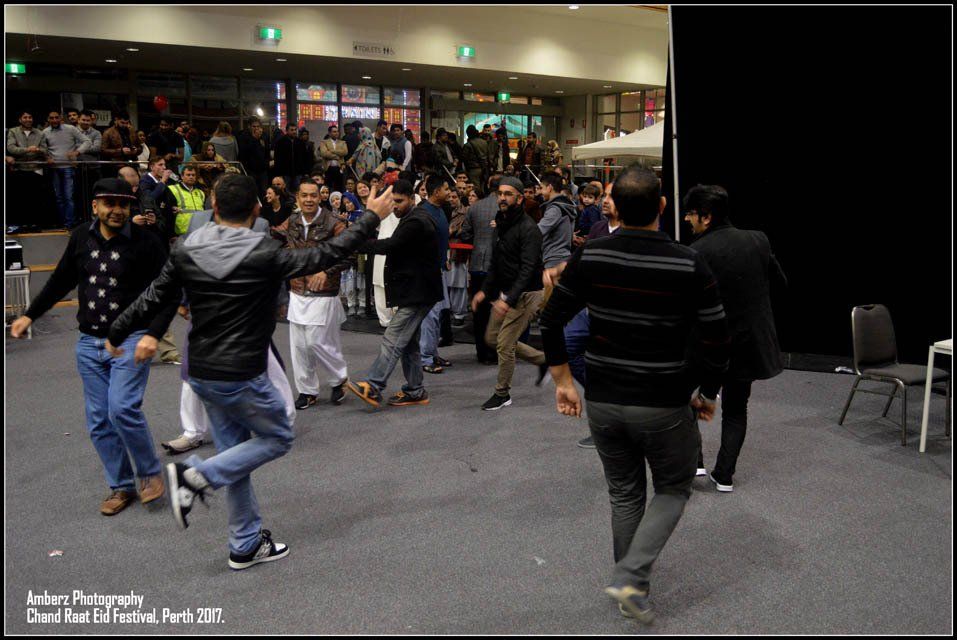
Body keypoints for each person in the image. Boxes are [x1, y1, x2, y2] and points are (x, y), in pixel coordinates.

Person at [106, 173, 394, 570]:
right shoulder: (265, 252)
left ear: (214, 207)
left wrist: (116, 330)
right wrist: (371, 217)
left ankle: (244, 543)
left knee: (235, 456)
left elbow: (154, 295)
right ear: (257, 210)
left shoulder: (186, 247)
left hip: (202, 372)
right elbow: (325, 254)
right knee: (278, 438)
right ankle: (196, 476)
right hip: (241, 374)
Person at [538, 166, 730, 623]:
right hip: (663, 402)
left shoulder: (592, 254)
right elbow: (717, 337)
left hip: (604, 401)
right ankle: (631, 577)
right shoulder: (688, 262)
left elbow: (551, 320)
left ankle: (632, 586)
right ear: (662, 206)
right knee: (674, 488)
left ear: (615, 209)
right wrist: (708, 392)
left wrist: (563, 381)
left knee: (624, 495)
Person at [9, 178, 176, 515]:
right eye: (109, 203)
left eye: (123, 204)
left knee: (122, 408)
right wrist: (29, 315)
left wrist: (153, 334)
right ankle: (121, 486)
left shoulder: (147, 242)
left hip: (130, 338)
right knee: (99, 421)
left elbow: (170, 291)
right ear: (95, 206)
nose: (117, 210)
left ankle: (149, 473)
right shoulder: (80, 238)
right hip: (88, 343)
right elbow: (60, 281)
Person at [683, 184, 787, 492]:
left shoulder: (696, 252)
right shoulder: (758, 239)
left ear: (706, 216)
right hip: (748, 344)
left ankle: (695, 463)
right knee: (736, 409)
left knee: (686, 402)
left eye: (690, 213)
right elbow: (780, 283)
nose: (687, 219)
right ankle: (724, 476)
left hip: (707, 345)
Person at [346, 179, 443, 408]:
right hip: (417, 291)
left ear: (412, 199)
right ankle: (415, 390)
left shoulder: (416, 221)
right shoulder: (414, 217)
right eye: (393, 202)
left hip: (418, 294)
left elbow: (389, 245)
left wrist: (354, 243)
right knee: (408, 343)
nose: (395, 206)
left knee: (393, 337)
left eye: (399, 201)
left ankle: (373, 386)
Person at [272, 179, 354, 409]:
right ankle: (307, 390)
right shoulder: (293, 221)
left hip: (324, 293)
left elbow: (349, 254)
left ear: (320, 197)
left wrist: (326, 272)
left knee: (318, 341)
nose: (309, 199)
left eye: (313, 195)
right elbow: (274, 236)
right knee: (299, 346)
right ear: (298, 198)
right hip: (297, 290)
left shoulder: (334, 222)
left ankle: (339, 379)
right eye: (304, 195)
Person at [470, 176, 547, 410]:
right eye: (500, 193)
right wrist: (484, 291)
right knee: (491, 338)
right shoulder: (501, 222)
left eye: (508, 194)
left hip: (527, 293)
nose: (502, 198)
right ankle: (545, 360)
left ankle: (502, 393)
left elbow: (528, 269)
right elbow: (496, 262)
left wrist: (508, 300)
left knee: (504, 344)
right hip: (507, 292)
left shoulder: (529, 228)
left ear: (520, 198)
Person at [459, 173, 502, 364]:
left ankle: (481, 352)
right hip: (498, 265)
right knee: (497, 310)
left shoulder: (475, 207)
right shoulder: (505, 207)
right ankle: (494, 352)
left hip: (477, 262)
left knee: (479, 312)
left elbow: (465, 234)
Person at [416, 174, 453, 374]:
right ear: (437, 191)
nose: (449, 192)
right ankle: (425, 357)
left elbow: (441, 239)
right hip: (426, 273)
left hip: (438, 270)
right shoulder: (422, 212)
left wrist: (444, 257)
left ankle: (432, 353)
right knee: (429, 316)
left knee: (438, 314)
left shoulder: (440, 210)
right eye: (446, 189)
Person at [43, 109, 91, 228]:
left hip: (69, 167)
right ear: (48, 119)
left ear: (61, 118)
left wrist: (77, 152)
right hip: (54, 168)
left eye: (56, 117)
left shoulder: (70, 129)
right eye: (51, 118)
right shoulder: (45, 132)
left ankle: (69, 223)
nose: (54, 120)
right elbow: (43, 148)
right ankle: (62, 223)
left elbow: (87, 141)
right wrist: (46, 156)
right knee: (58, 197)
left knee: (68, 197)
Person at [6, 110, 49, 227]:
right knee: (20, 199)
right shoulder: (13, 131)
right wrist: (27, 149)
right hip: (19, 169)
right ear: (20, 119)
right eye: (25, 117)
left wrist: (38, 150)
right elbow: (11, 148)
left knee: (36, 199)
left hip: (36, 169)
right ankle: (21, 225)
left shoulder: (40, 133)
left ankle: (35, 224)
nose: (28, 119)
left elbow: (45, 150)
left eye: (30, 117)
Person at [537, 171, 578, 294]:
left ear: (549, 188)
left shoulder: (555, 209)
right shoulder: (567, 206)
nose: (539, 192)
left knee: (550, 298)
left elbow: (538, 231)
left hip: (553, 259)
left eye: (541, 188)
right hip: (562, 256)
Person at [447, 189, 471, 324]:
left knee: (458, 285)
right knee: (446, 284)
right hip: (445, 252)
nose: (451, 199)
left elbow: (462, 232)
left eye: (454, 197)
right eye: (449, 196)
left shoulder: (466, 213)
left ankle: (459, 314)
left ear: (460, 198)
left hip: (458, 252)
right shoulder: (443, 210)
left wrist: (452, 231)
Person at [100, 111, 142, 177]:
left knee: (134, 182)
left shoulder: (132, 131)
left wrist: (136, 150)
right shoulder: (108, 132)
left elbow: (140, 147)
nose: (125, 125)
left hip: (132, 163)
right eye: (122, 122)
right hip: (116, 165)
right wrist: (121, 151)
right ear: (116, 120)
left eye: (127, 123)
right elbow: (103, 150)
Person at [237, 118, 268, 197]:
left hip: (262, 169)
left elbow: (266, 150)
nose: (256, 128)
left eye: (258, 126)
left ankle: (263, 204)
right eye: (254, 126)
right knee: (252, 191)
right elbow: (244, 152)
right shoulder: (243, 137)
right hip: (250, 170)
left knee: (263, 191)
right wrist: (254, 139)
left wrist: (267, 163)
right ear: (249, 126)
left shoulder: (263, 136)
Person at [318, 124, 348, 190]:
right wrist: (337, 157)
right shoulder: (324, 142)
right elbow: (324, 153)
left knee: (339, 186)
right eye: (334, 131)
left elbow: (345, 152)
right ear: (329, 133)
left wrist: (331, 151)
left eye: (337, 131)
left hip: (339, 167)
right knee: (327, 186)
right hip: (328, 168)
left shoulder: (342, 142)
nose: (336, 133)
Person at [461, 125, 490, 193]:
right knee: (482, 186)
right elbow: (488, 155)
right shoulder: (484, 142)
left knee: (475, 188)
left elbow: (464, 158)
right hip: (484, 168)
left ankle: (476, 198)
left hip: (473, 169)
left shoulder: (468, 144)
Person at [273, 123, 301, 189]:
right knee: (285, 190)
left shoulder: (299, 142)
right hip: (285, 173)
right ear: (287, 131)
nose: (294, 132)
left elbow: (303, 157)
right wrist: (279, 173)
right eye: (292, 130)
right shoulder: (280, 142)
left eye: (295, 130)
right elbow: (277, 158)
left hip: (297, 172)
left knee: (298, 190)